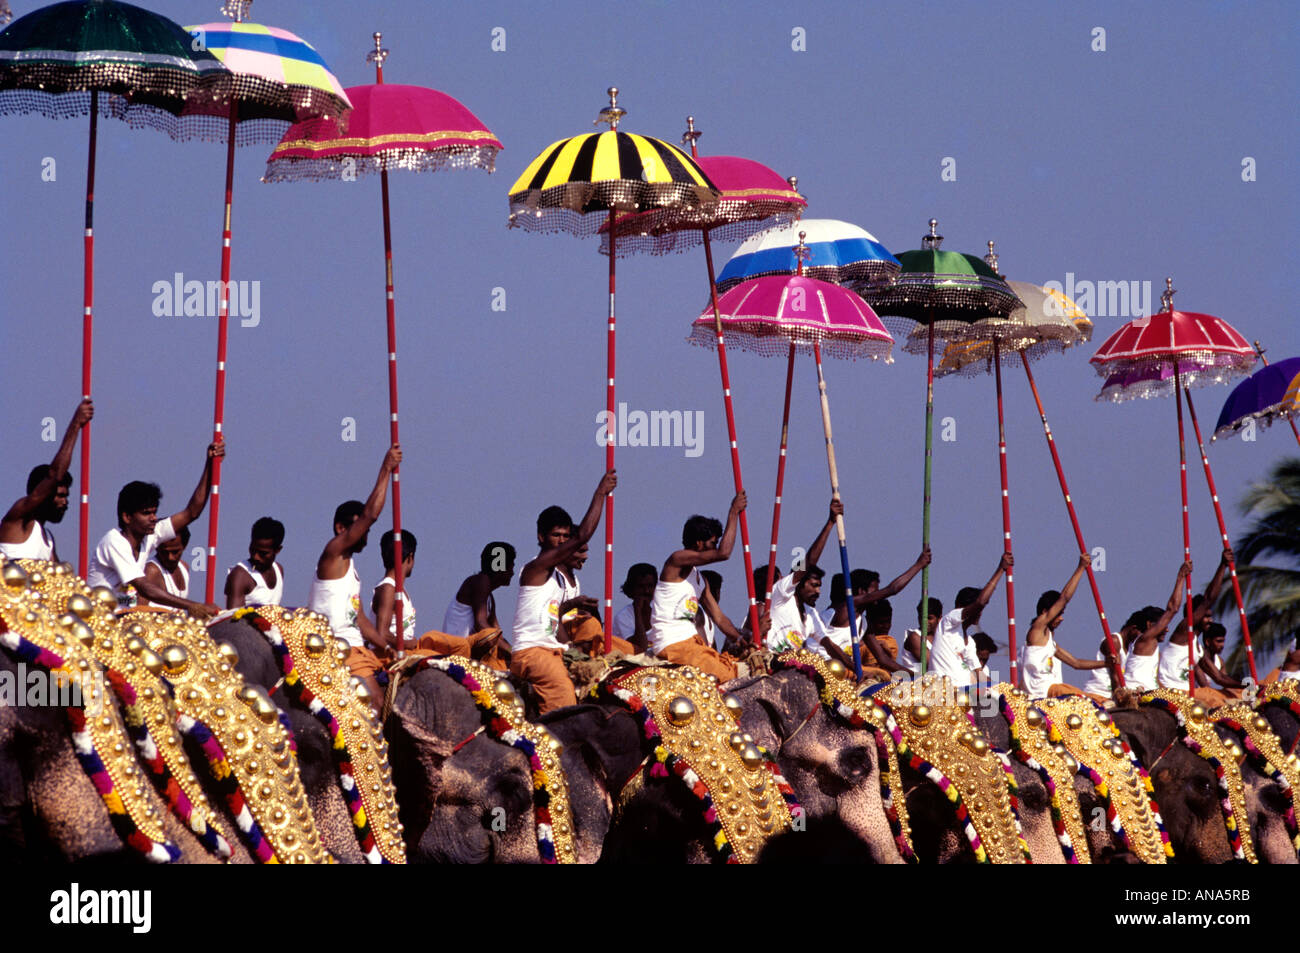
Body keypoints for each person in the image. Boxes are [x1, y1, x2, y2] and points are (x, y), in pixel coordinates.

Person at [510, 471, 616, 714]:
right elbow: (583, 536)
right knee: (564, 698)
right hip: (532, 653)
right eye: (556, 535)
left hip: (554, 650)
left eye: (565, 536)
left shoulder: (558, 580)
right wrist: (600, 493)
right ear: (541, 537)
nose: (562, 541)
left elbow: (553, 622)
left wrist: (573, 650)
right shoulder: (534, 569)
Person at [307, 446, 401, 711]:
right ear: (341, 528)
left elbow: (358, 619)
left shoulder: (352, 570)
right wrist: (386, 468)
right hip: (337, 647)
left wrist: (387, 646)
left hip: (359, 647)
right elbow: (371, 514)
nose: (366, 536)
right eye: (361, 530)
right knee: (375, 703)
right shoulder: (333, 553)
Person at [86, 441, 225, 617]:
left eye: (154, 512)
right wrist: (194, 606)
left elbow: (192, 512)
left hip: (125, 615)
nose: (153, 518)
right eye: (146, 513)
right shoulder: (114, 542)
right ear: (127, 517)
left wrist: (210, 464)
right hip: (98, 620)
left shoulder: (150, 534)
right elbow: (145, 588)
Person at [647, 493, 749, 681]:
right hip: (672, 643)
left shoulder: (701, 580)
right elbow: (724, 553)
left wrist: (739, 639)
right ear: (698, 543)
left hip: (692, 643)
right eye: (712, 543)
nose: (715, 547)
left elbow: (719, 617)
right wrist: (733, 513)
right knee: (725, 675)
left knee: (736, 668)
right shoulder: (676, 561)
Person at [764, 501, 859, 671]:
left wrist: (856, 669)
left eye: (820, 586)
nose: (818, 592)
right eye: (813, 585)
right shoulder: (782, 594)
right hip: (771, 662)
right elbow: (808, 562)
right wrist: (830, 523)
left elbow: (830, 646)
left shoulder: (811, 614)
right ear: (799, 583)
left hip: (793, 668)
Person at [0, 399, 93, 562]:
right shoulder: (18, 519)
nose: (65, 502)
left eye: (66, 497)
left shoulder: (48, 540)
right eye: (60, 496)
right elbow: (55, 475)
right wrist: (76, 424)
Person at [1020, 554, 1107, 699]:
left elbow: (1076, 663)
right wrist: (1081, 568)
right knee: (1083, 698)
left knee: (1099, 700)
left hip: (1055, 691)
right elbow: (1064, 598)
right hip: (1043, 693)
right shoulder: (1037, 629)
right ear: (1045, 612)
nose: (1061, 618)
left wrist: (1106, 663)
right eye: (1058, 613)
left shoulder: (1051, 644)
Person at [824, 550, 930, 664]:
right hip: (823, 666)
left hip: (843, 672)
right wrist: (919, 565)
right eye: (875, 590)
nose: (879, 594)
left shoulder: (864, 623)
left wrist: (914, 676)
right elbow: (892, 589)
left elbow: (883, 660)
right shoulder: (848, 606)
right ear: (862, 591)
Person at [928, 553, 1014, 686]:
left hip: (964, 698)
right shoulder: (949, 622)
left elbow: (979, 675)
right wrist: (1001, 569)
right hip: (943, 696)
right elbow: (981, 602)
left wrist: (1005, 689)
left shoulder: (970, 644)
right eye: (976, 610)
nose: (979, 614)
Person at [1124, 561, 1193, 691]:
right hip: (1136, 693)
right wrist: (1181, 577)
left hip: (1150, 691)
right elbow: (1173, 608)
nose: (1167, 629)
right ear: (1149, 625)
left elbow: (1154, 680)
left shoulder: (1154, 648)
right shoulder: (1145, 639)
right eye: (1163, 625)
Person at [1079, 607, 1158, 698]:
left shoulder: (1131, 649)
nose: (1141, 638)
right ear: (1133, 629)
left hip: (1113, 694)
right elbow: (1115, 677)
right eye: (1141, 634)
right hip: (1099, 693)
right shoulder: (1114, 641)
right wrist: (1119, 700)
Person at [443, 541, 516, 637]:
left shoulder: (489, 597)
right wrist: (511, 650)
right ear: (500, 567)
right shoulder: (480, 581)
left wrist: (512, 650)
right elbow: (481, 625)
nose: (512, 572)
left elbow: (497, 634)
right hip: (456, 649)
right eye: (511, 567)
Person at [224, 517, 286, 608]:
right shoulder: (240, 575)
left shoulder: (279, 570)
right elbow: (233, 619)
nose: (255, 557)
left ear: (277, 550)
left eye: (263, 553)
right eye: (253, 550)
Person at [372, 529, 418, 652]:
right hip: (390, 654)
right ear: (410, 557)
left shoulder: (399, 590)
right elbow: (382, 634)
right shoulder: (388, 588)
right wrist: (408, 644)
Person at [612, 562, 657, 654]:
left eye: (650, 586)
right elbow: (640, 647)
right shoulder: (623, 617)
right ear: (632, 589)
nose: (646, 591)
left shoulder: (660, 611)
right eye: (641, 587)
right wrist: (638, 611)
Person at [141, 525, 190, 607]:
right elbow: (139, 610)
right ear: (156, 547)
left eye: (175, 552)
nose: (170, 557)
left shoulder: (184, 567)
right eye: (165, 552)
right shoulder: (151, 571)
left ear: (184, 546)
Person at [1196, 623, 1244, 699]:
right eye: (1219, 641)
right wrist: (1244, 685)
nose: (1222, 645)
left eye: (1223, 641)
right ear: (1208, 642)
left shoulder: (1220, 661)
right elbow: (1205, 686)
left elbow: (1226, 683)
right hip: (1195, 695)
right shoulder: (1198, 656)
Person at [900, 597, 943, 676]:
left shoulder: (943, 638)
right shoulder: (915, 638)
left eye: (929, 618)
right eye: (921, 617)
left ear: (939, 618)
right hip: (916, 684)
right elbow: (934, 664)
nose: (925, 622)